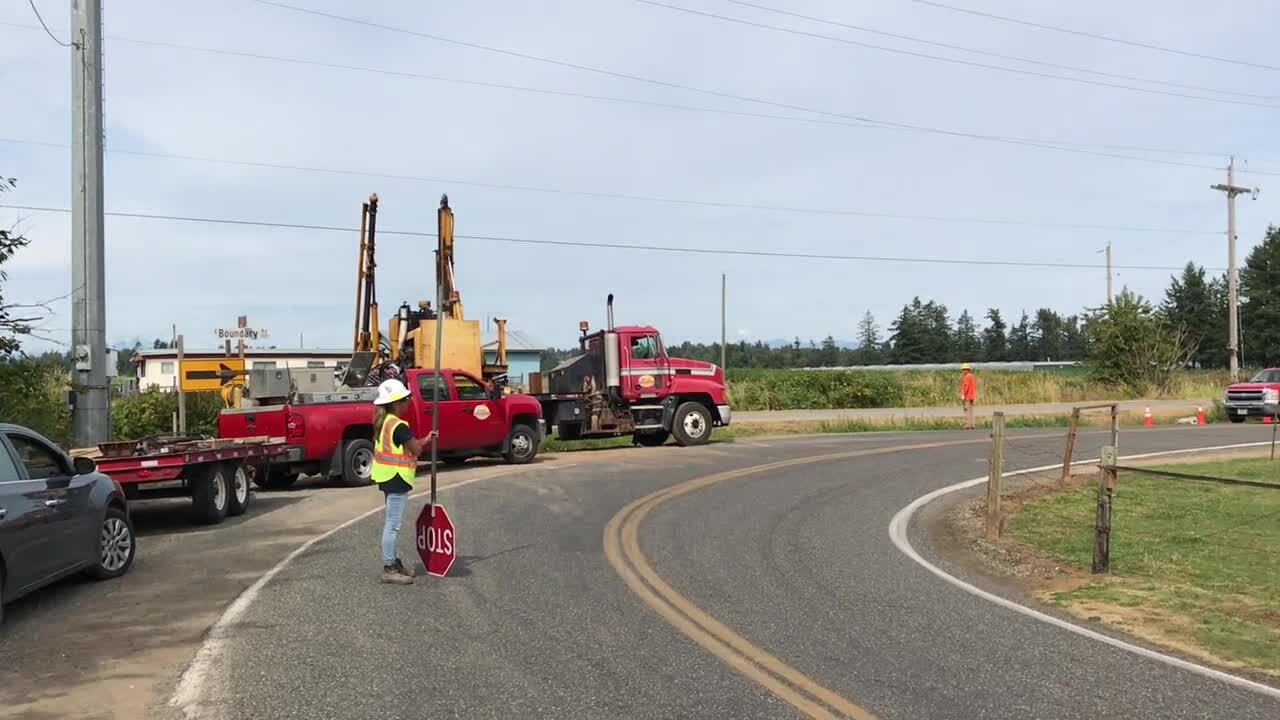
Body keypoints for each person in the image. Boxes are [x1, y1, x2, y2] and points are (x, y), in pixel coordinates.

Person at [370, 378, 437, 585]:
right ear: (397, 402)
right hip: (396, 478)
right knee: (393, 525)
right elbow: (415, 449)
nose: (408, 403)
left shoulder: (383, 422)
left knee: (392, 523)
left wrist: (425, 439)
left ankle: (393, 562)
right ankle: (389, 567)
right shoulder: (398, 426)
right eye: (406, 399)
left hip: (386, 477)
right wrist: (425, 442)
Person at [960, 363, 978, 430]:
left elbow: (966, 387)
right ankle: (973, 424)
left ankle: (967, 424)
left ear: (967, 370)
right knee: (971, 411)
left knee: (966, 410)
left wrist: (963, 395)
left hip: (967, 396)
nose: (963, 371)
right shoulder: (972, 376)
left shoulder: (966, 377)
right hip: (972, 396)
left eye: (964, 369)